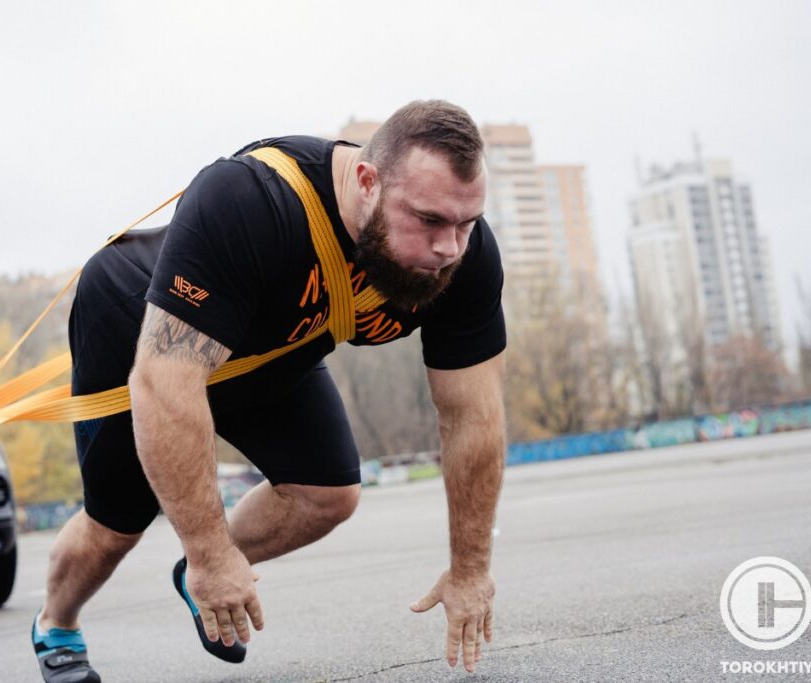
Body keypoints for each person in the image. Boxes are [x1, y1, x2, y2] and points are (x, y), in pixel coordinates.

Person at [31, 99, 507, 682]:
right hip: (142, 338)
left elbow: (472, 418)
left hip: (276, 346)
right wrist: (209, 551)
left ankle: (198, 571)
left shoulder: (463, 260)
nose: (449, 248)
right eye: (429, 220)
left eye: (466, 222)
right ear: (366, 181)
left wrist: (470, 569)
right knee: (115, 528)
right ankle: (57, 621)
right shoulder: (249, 200)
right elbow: (164, 383)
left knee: (328, 493)